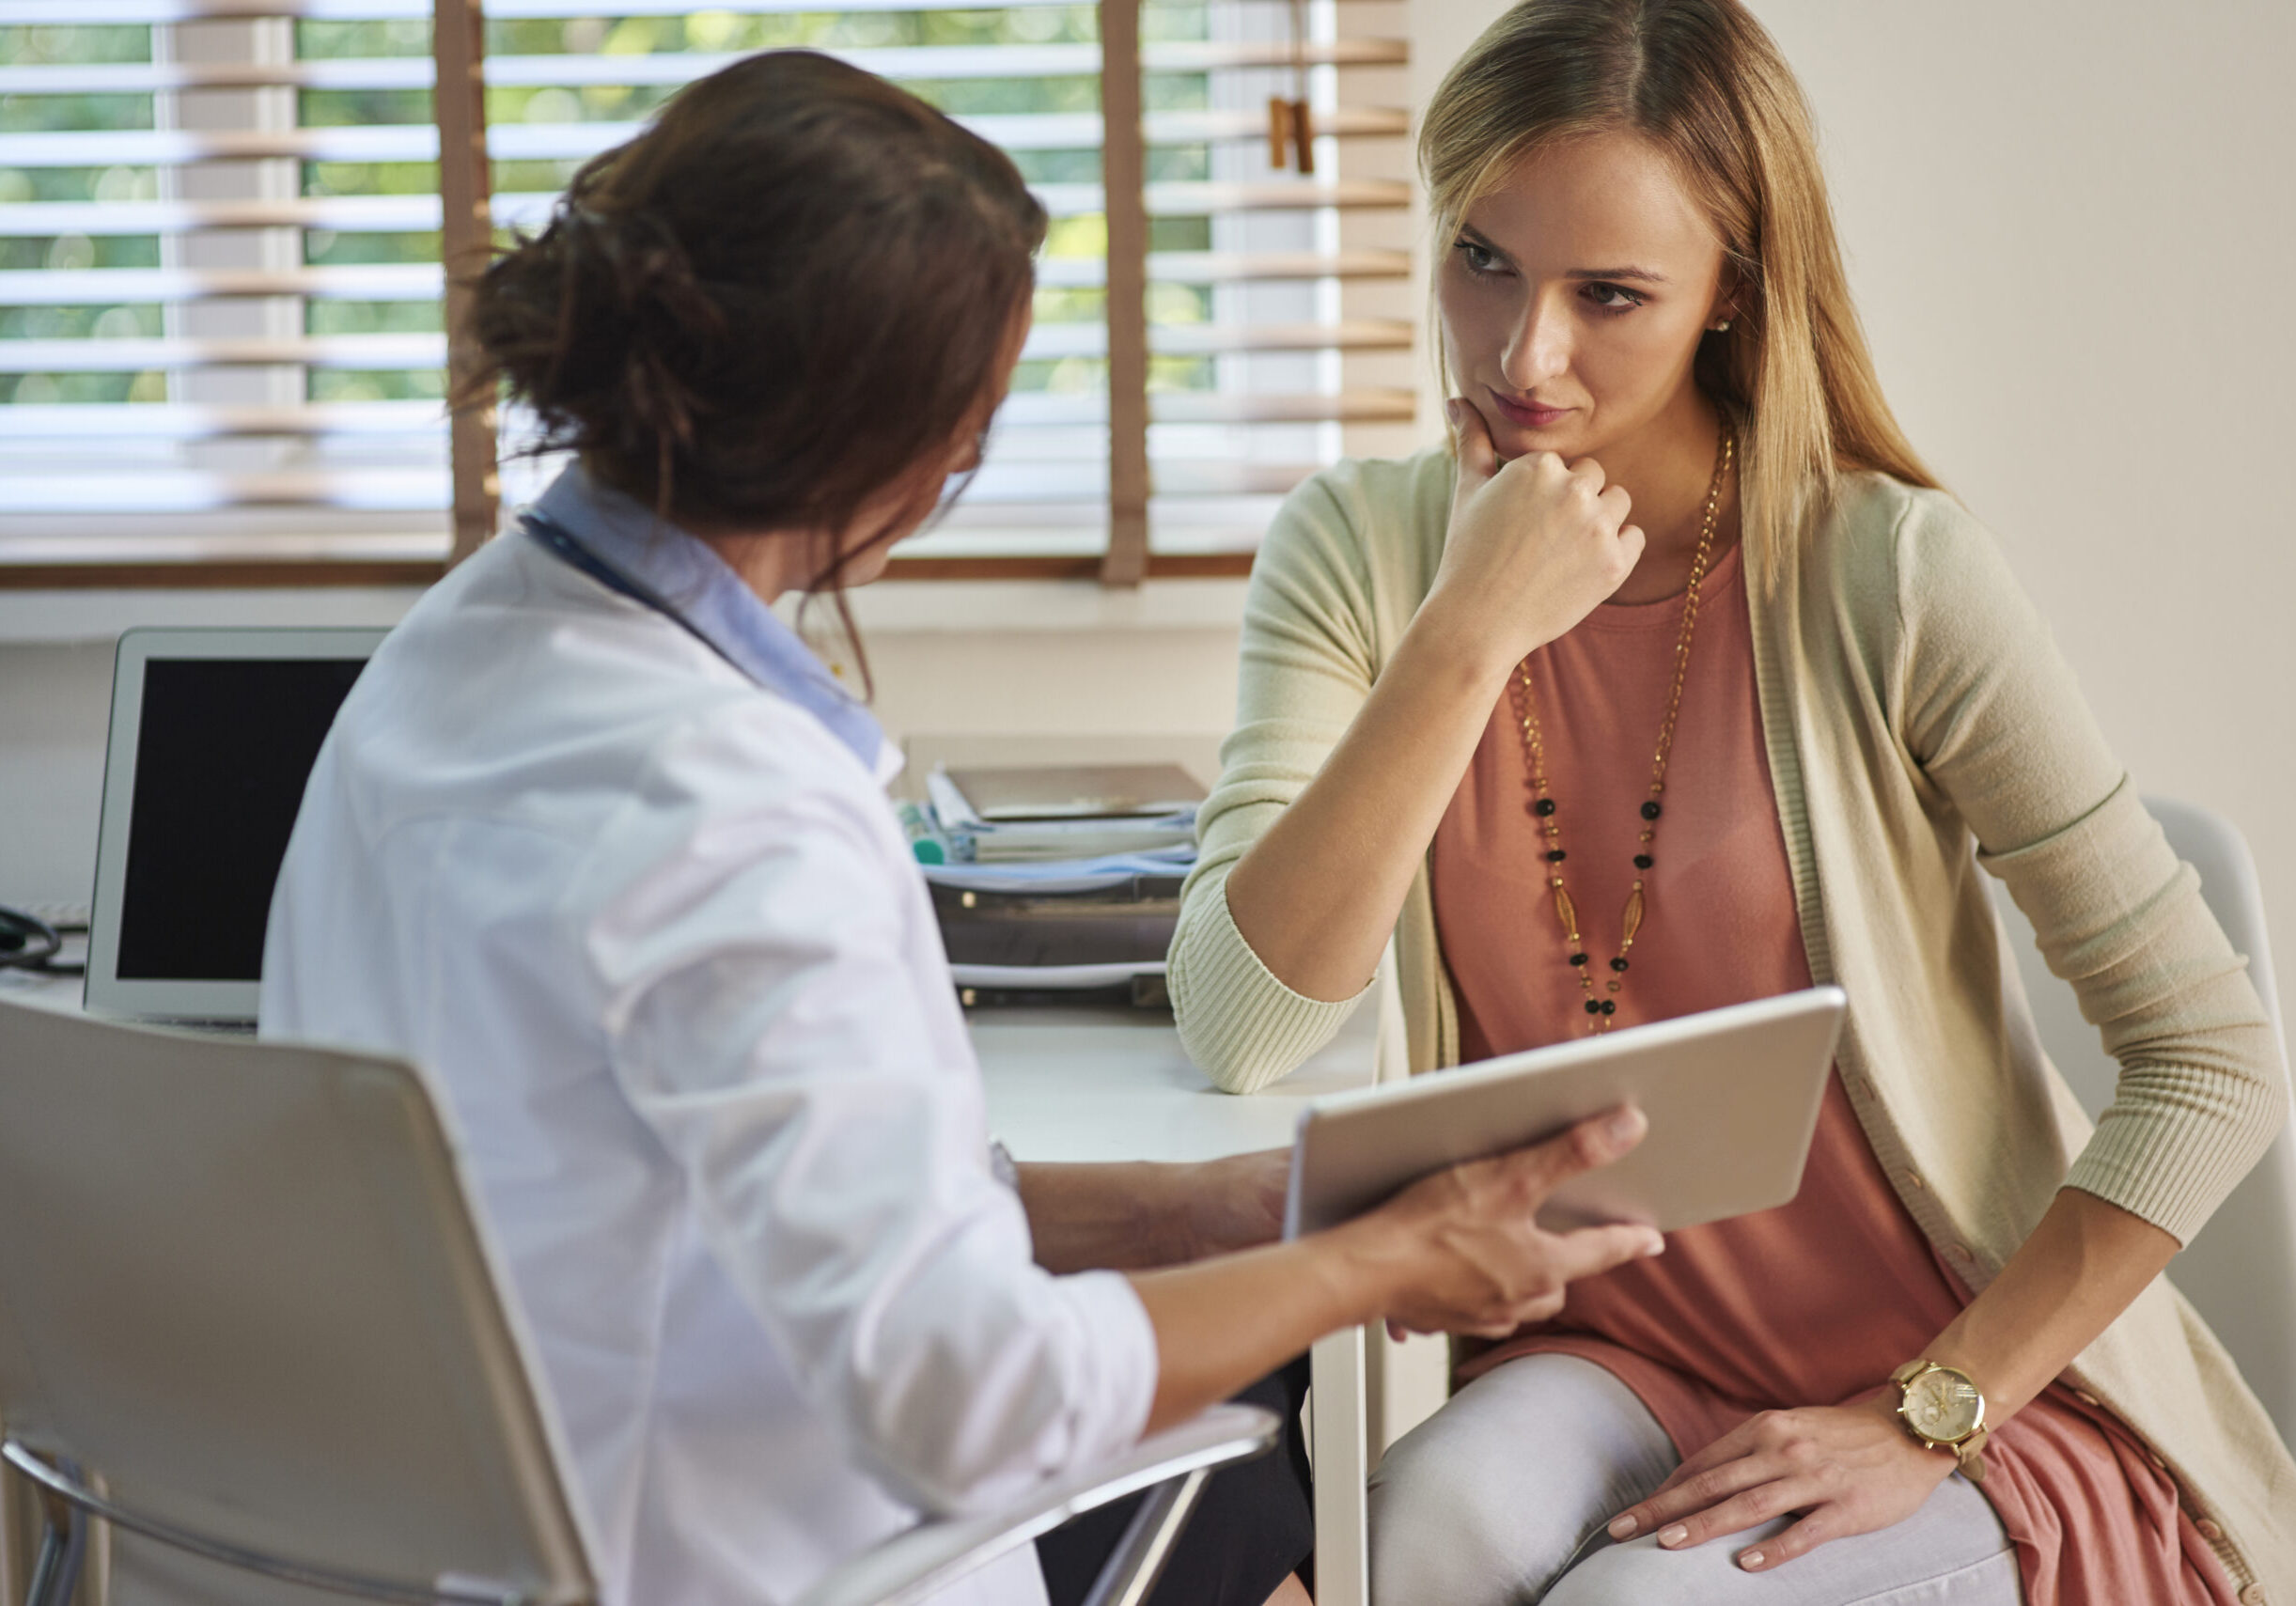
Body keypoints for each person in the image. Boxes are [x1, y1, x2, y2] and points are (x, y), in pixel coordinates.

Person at [256, 49, 1667, 1606]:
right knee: (1265, 1455)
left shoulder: (442, 660)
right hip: (743, 1550)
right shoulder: (737, 811)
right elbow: (970, 1392)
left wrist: (1198, 1206)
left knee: (1250, 1403)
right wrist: (1375, 1267)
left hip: (508, 1512)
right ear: (904, 455)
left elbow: (768, 1183)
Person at [1163, 2, 2294, 1602]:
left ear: (1731, 294)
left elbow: (2212, 1061)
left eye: (1609, 295)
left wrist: (1936, 1408)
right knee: (1393, 1545)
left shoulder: (1886, 572)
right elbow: (1239, 1019)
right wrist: (1471, 626)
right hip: (1613, 1359)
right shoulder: (1361, 553)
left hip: (1960, 1386)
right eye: (1482, 259)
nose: (1520, 352)